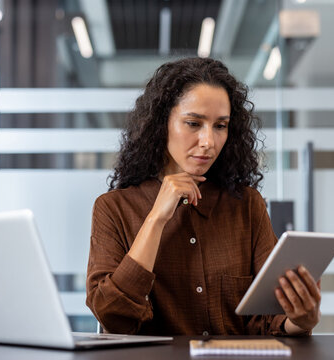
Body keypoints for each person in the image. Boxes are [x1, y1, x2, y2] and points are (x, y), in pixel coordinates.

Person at [86, 57, 321, 336]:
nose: (209, 141)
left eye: (220, 126)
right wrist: (156, 218)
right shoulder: (114, 208)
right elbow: (112, 315)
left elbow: (267, 321)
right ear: (162, 125)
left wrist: (299, 320)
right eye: (194, 123)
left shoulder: (246, 206)